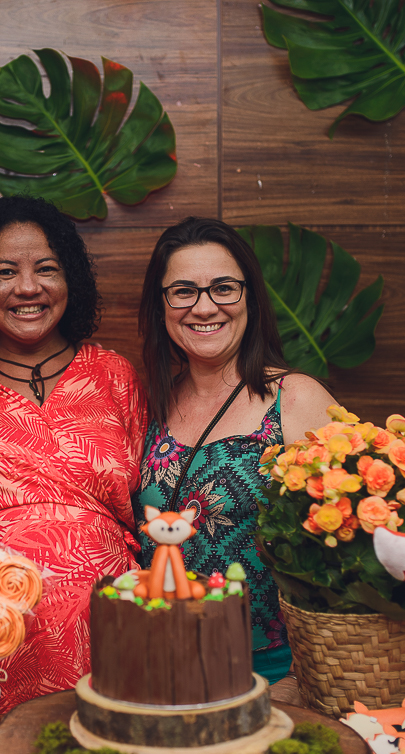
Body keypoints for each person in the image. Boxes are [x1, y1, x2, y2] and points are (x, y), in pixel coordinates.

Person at [0, 195, 147, 712]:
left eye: (46, 269)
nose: (28, 287)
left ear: (71, 280)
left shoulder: (114, 374)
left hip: (107, 625)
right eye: (5, 272)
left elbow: (143, 499)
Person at [134, 217, 336, 701]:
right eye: (183, 291)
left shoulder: (296, 400)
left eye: (223, 288)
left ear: (250, 298)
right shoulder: (151, 406)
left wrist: (300, 680)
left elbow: (352, 549)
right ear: (161, 306)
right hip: (160, 666)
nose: (204, 307)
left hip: (272, 675)